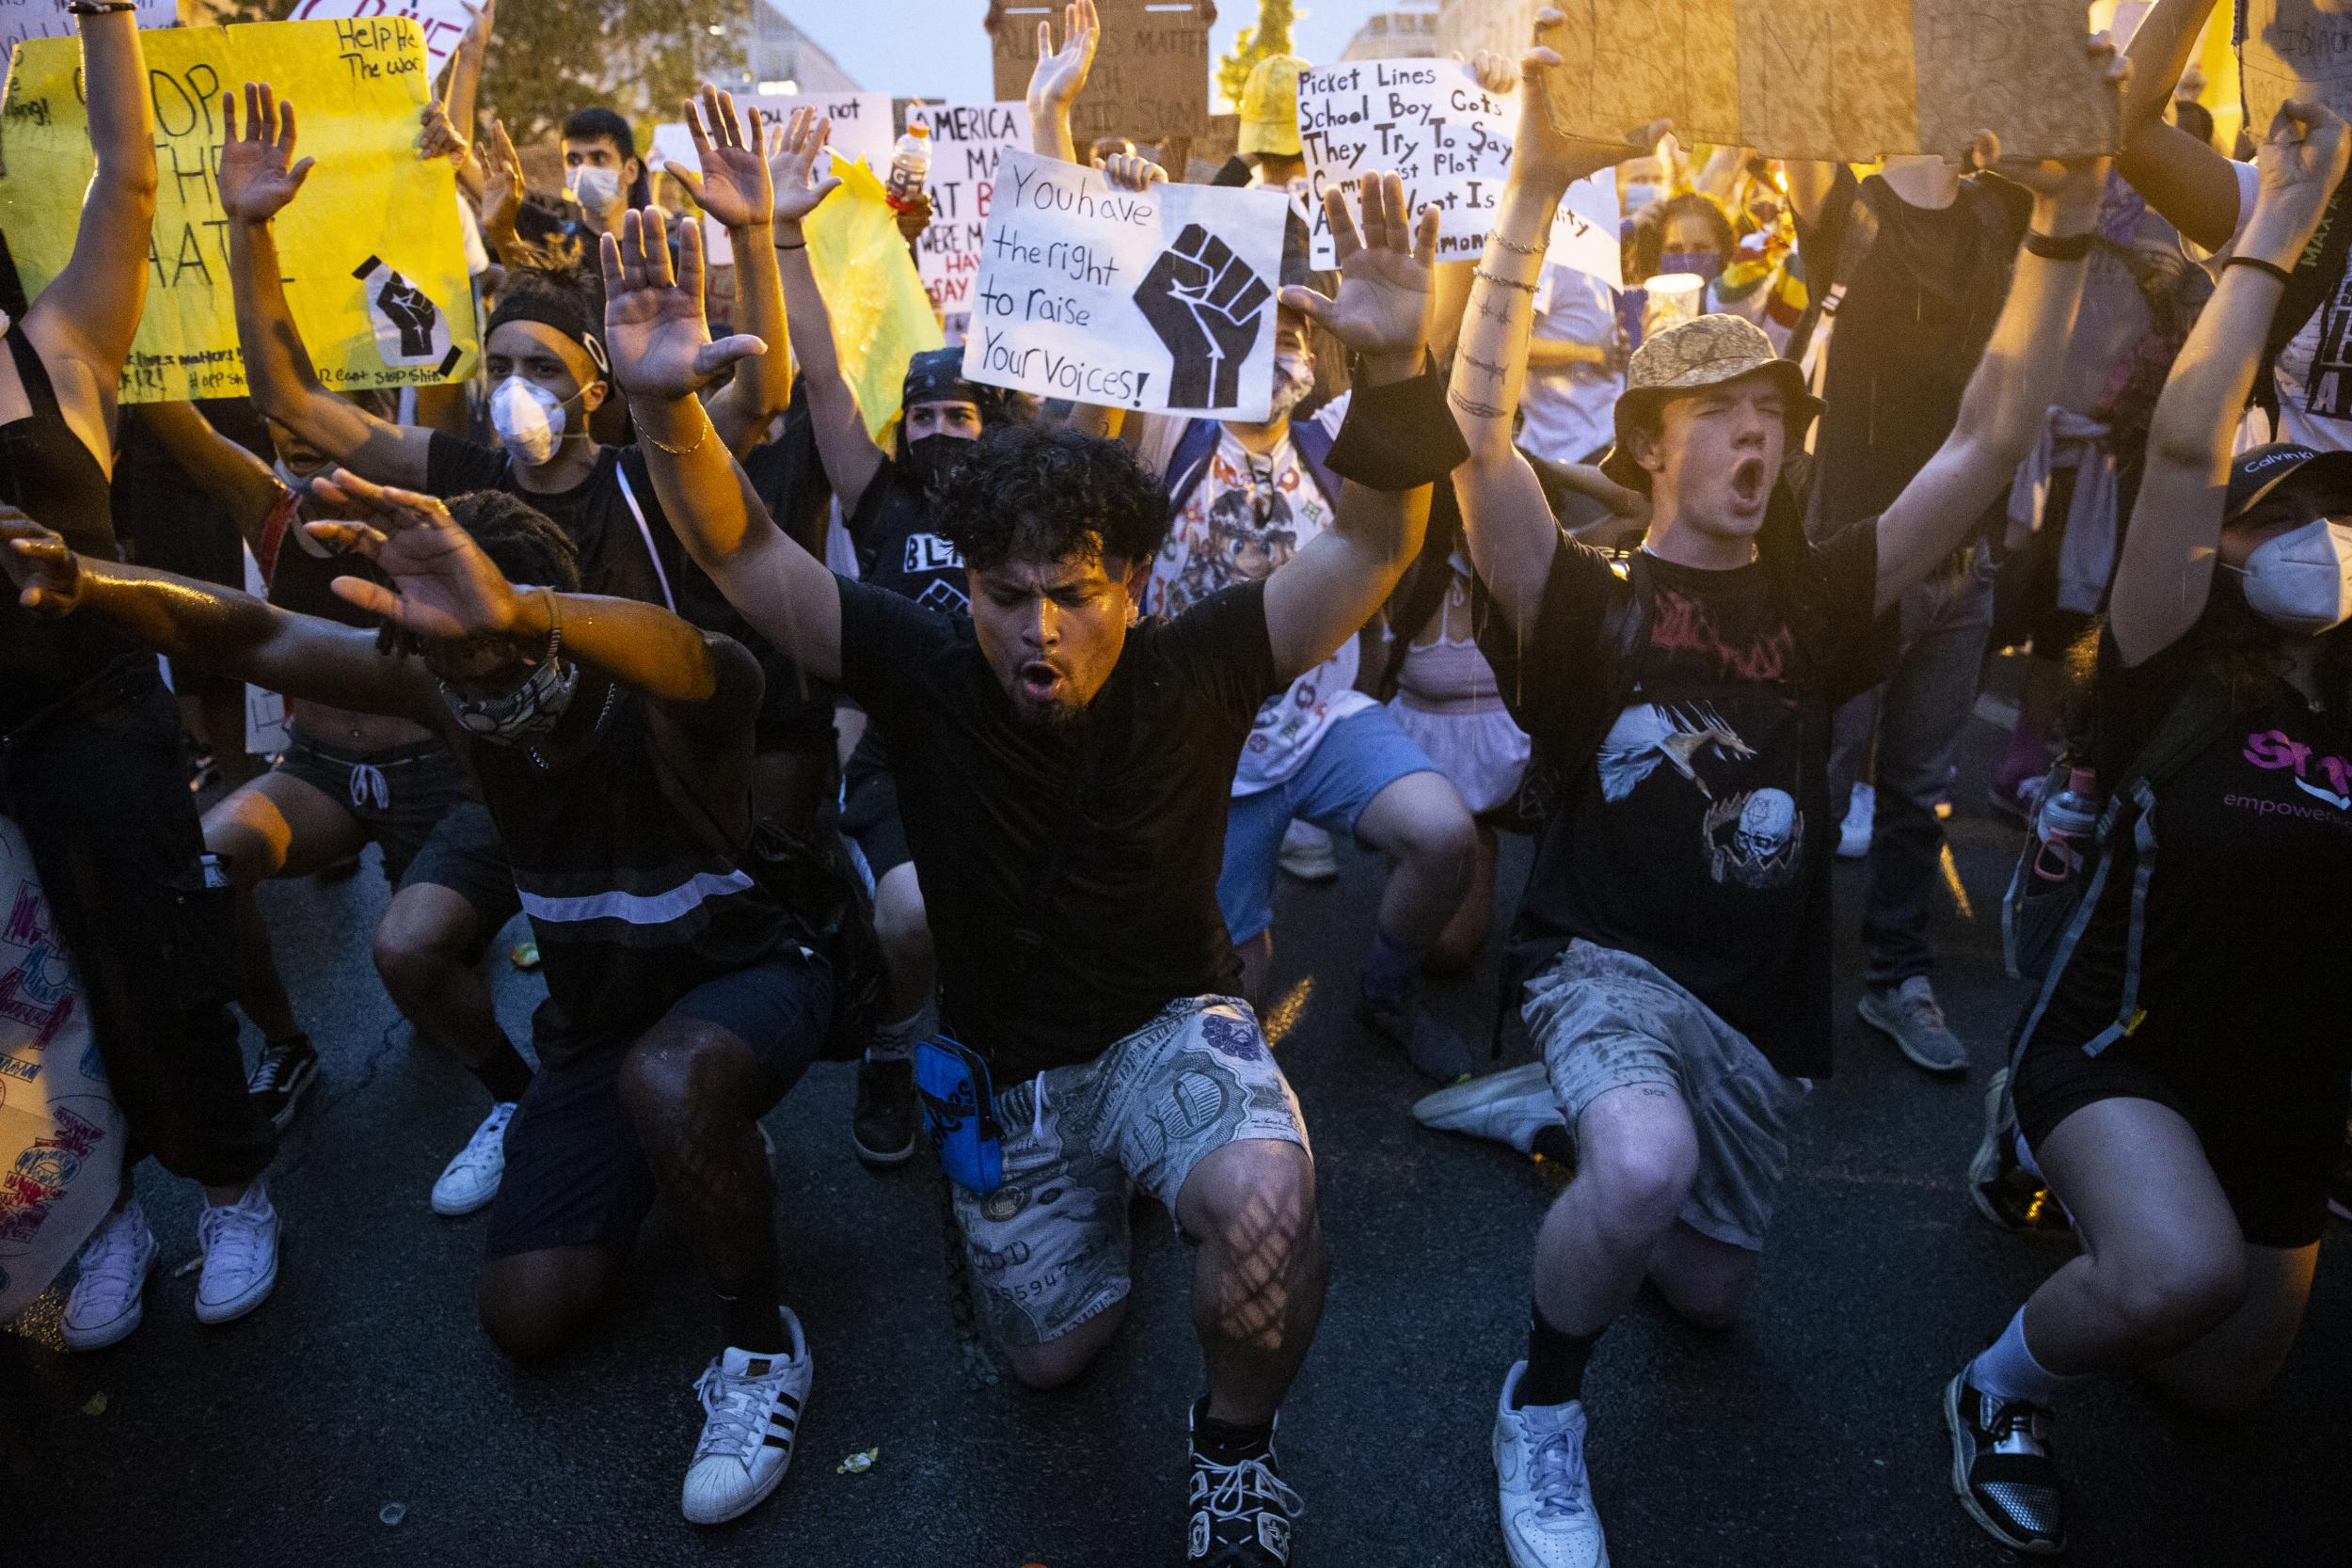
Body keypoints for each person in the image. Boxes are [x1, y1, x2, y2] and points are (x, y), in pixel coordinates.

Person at [602, 159, 1452, 1560]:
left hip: (1166, 1026)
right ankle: (1023, 1176)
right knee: (1054, 1356)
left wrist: (1400, 357)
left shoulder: (1204, 659)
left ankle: (1230, 1452)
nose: (1037, 630)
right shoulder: (924, 662)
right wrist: (658, 398)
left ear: (1135, 582)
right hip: (1003, 1066)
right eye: (1006, 595)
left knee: (1264, 1208)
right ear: (971, 589)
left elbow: (1373, 533)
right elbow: (741, 545)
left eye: (1074, 595)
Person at [1441, 15, 2124, 1566]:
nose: (1762, 435)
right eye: (1723, 415)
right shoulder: (1584, 590)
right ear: (1655, 439)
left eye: (1777, 415)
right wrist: (1536, 186)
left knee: (1705, 1283)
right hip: (1601, 961)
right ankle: (1540, 1403)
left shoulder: (1818, 596)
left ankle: (1576, 1128)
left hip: (1755, 1007)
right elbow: (1479, 445)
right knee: (1646, 1169)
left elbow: (1988, 432)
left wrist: (2068, 218)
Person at [3, 476, 846, 1529]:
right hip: (601, 1029)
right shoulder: (446, 698)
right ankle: (680, 1147)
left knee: (673, 1077)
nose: (473, 668)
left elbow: (702, 664)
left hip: (753, 980)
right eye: (444, 647)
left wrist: (517, 610)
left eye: (492, 635)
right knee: (528, 1312)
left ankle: (762, 1339)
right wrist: (92, 580)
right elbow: (257, 631)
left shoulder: (665, 692)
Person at [1947, 99, 2352, 1559]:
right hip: (2127, 1043)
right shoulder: (2171, 650)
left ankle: (2119, 1222)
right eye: (2282, 507)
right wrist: (2273, 237)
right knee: (2170, 1276)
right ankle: (1995, 1389)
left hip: (2283, 1087)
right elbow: (2187, 444)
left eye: (2340, 512)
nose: (2312, 534)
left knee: (2223, 1383)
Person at [0, 5, 282, 1353]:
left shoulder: (57, 342)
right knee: (32, 1019)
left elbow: (126, 170)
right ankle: (95, 1220)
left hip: (100, 721)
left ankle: (231, 1191)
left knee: (163, 959)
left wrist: (110, 14)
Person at [132, 399, 531, 1213]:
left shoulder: (449, 518)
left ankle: (519, 1094)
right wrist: (152, 342)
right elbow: (187, 432)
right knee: (207, 862)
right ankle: (286, 1045)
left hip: (440, 779)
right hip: (319, 771)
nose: (308, 461)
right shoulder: (276, 516)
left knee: (414, 959)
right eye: (288, 445)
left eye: (327, 442)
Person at [765, 106, 1030, 1167]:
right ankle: (890, 1040)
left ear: (989, 424)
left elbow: (1101, 403)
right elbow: (826, 380)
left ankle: (1012, 1050)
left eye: (955, 415)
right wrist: (788, 239)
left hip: (1016, 741)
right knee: (913, 909)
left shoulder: (1027, 500)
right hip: (900, 757)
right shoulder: (879, 502)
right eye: (919, 417)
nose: (935, 433)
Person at [1783, 135, 2033, 1073]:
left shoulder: (2000, 209)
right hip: (1849, 549)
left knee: (1920, 786)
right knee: (1817, 766)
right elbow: (1794, 109)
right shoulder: (1842, 195)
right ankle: (1778, 969)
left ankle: (1895, 973)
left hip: (1965, 552)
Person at [559, 104, 653, 242]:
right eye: (573, 160)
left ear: (631, 171)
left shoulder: (664, 256)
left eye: (598, 158)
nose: (583, 169)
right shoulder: (555, 252)